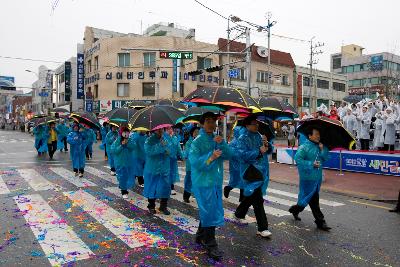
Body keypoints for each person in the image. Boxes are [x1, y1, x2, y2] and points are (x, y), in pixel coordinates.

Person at [189, 112, 231, 260]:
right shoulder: (197, 141)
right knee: (209, 211)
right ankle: (210, 243)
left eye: (213, 121)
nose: (211, 124)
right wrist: (211, 157)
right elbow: (195, 162)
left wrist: (222, 144)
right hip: (202, 182)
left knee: (210, 209)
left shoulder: (216, 139)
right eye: (208, 121)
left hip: (215, 181)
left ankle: (200, 236)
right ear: (201, 123)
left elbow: (229, 155)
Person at [234, 116, 274, 238]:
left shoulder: (259, 136)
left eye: (257, 124)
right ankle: (263, 228)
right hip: (250, 172)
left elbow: (267, 151)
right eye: (253, 124)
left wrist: (267, 145)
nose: (256, 126)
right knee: (258, 200)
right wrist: (258, 152)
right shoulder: (242, 138)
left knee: (251, 196)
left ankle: (239, 213)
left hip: (260, 171)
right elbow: (241, 155)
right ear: (246, 125)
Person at [288, 127, 331, 231]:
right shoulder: (304, 147)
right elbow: (297, 159)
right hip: (307, 178)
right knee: (314, 200)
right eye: (316, 134)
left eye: (319, 134)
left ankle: (294, 209)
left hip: (317, 178)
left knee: (306, 200)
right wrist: (311, 164)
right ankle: (321, 222)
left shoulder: (321, 146)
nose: (318, 136)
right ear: (310, 135)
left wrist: (322, 150)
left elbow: (325, 158)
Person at [143, 128, 172, 215]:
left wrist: (167, 151)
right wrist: (160, 146)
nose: (160, 131)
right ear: (154, 130)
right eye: (158, 130)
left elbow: (170, 151)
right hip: (153, 168)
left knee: (165, 187)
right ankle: (151, 205)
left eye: (162, 130)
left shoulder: (165, 139)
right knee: (152, 188)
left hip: (164, 168)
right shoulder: (149, 140)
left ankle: (163, 206)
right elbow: (149, 152)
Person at [111, 127, 135, 199]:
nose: (126, 134)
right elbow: (114, 150)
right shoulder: (117, 141)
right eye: (124, 132)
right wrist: (121, 145)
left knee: (128, 176)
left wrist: (127, 144)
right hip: (120, 163)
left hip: (129, 162)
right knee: (122, 176)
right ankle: (124, 191)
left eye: (127, 132)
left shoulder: (130, 140)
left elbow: (133, 147)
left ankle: (123, 186)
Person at [224, 126, 244, 199]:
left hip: (242, 164)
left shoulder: (242, 141)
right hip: (235, 165)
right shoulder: (233, 142)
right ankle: (228, 188)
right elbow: (231, 153)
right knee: (235, 180)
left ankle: (242, 198)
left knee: (242, 181)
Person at [183, 126, 200, 203]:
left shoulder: (201, 142)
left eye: (198, 132)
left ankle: (196, 194)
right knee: (189, 181)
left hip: (198, 166)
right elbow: (188, 154)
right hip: (190, 166)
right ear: (192, 134)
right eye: (195, 132)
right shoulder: (189, 143)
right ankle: (186, 196)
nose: (197, 133)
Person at [165, 126, 183, 196]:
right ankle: (166, 188)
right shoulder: (163, 138)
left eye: (170, 128)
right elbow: (162, 148)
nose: (170, 130)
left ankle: (172, 187)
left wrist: (182, 156)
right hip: (165, 160)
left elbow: (179, 148)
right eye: (168, 128)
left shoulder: (175, 138)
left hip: (173, 160)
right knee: (166, 174)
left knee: (172, 173)